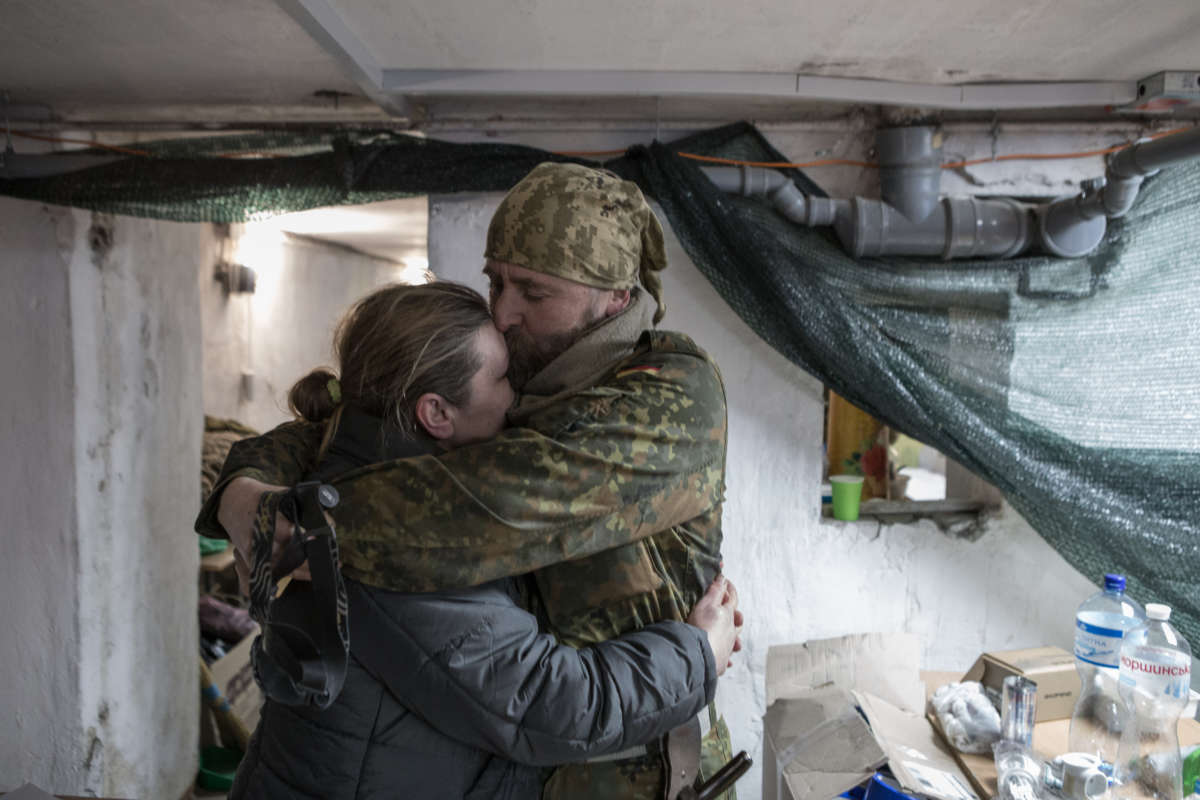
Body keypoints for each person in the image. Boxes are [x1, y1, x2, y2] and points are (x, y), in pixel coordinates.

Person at [199, 162, 737, 799]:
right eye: (497, 282)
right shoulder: (528, 377)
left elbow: (482, 500)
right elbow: (347, 420)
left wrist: (300, 530)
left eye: (533, 293)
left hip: (630, 771)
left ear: (615, 298)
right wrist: (246, 490)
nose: (505, 311)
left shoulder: (666, 398)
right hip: (537, 758)